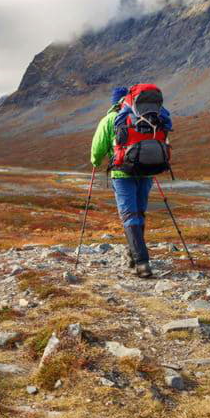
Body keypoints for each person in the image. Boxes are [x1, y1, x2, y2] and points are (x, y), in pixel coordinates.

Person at [90, 86, 154, 278]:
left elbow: (97, 149)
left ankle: (142, 264)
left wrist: (95, 162)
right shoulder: (146, 116)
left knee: (129, 216)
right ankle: (133, 256)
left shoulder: (109, 120)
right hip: (147, 172)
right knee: (139, 214)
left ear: (114, 102)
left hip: (122, 174)